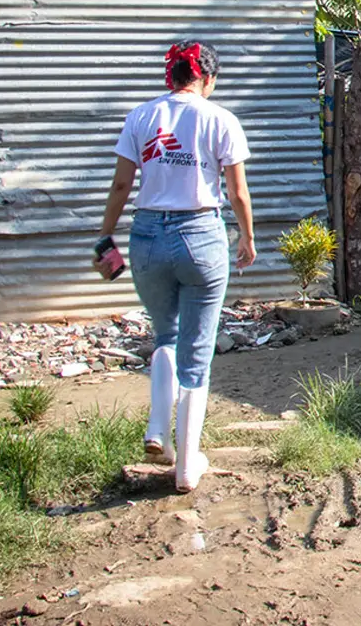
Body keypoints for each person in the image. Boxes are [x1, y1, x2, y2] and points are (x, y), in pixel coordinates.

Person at [98, 40, 257, 493]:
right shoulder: (220, 119)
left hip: (147, 235)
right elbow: (237, 193)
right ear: (207, 78)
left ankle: (157, 432)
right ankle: (187, 467)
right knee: (198, 350)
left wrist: (105, 234)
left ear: (171, 77)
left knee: (165, 334)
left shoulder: (140, 117)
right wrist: (246, 237)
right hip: (200, 236)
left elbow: (122, 183)